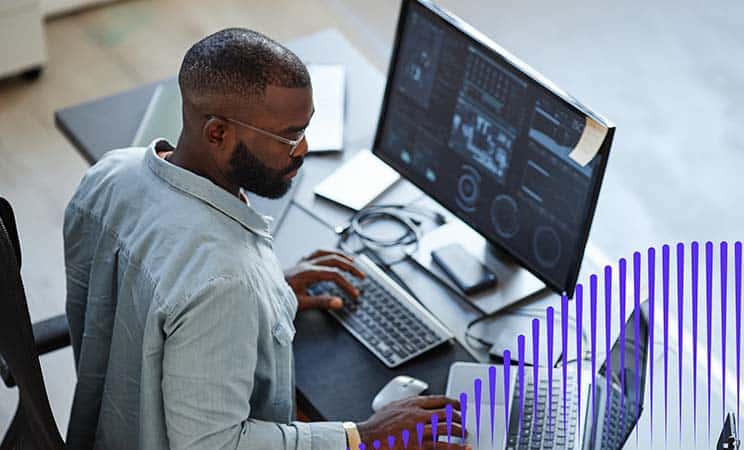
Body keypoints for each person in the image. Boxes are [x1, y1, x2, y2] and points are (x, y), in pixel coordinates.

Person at [63, 28, 466, 450]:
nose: (303, 148)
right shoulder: (224, 280)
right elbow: (212, 446)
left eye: (307, 127)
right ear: (217, 133)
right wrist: (361, 436)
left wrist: (267, 298)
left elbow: (153, 290)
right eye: (289, 135)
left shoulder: (109, 174)